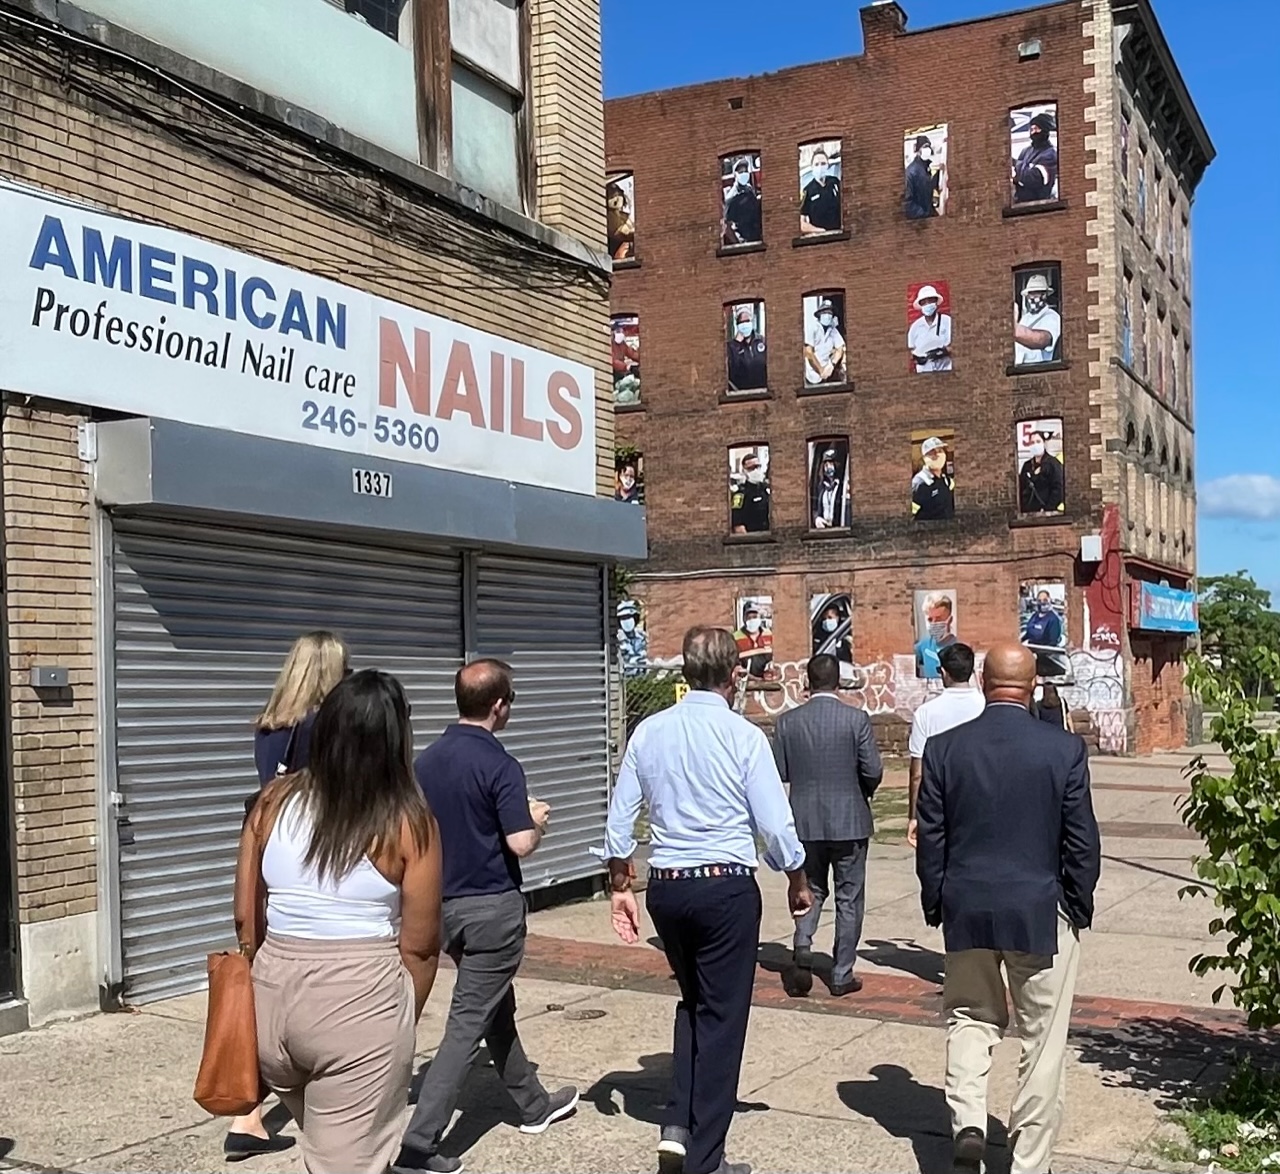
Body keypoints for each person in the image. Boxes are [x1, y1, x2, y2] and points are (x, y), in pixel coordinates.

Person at [604, 626, 812, 1174]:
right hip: (723, 884)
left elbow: (621, 816)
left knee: (693, 1003)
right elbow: (774, 821)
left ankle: (679, 1122)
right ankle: (706, 1157)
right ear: (733, 674)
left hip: (668, 886)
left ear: (685, 672)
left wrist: (620, 884)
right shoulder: (744, 738)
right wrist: (797, 874)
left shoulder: (649, 732)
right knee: (723, 1017)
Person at [237, 670, 444, 1174]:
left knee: (329, 1145)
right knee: (348, 1159)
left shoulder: (272, 800)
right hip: (358, 1002)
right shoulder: (408, 820)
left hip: (271, 998)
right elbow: (420, 947)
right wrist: (399, 1019)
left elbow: (246, 916)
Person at [915, 642, 1100, 1174]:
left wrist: (937, 901)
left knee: (971, 1017)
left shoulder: (945, 749)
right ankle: (1029, 1162)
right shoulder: (1062, 749)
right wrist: (1077, 905)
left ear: (982, 681)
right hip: (1040, 908)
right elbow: (1081, 840)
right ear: (1034, 683)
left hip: (968, 906)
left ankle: (969, 1121)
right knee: (1042, 1042)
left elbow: (932, 836)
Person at [394, 661, 578, 1174]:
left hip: (441, 905)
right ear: (499, 705)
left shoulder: (425, 762)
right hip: (492, 908)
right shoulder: (501, 766)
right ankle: (418, 1144)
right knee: (466, 1025)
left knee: (494, 1006)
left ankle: (534, 1104)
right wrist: (536, 820)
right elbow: (519, 844)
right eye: (511, 698)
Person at [228, 629, 349, 1161]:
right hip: (308, 857)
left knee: (265, 978)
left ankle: (246, 1112)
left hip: (262, 853)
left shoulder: (268, 726)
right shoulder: (324, 727)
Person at [772, 654, 883, 997]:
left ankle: (803, 945)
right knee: (849, 897)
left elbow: (780, 772)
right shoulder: (856, 719)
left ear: (808, 682)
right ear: (838, 682)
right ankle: (842, 973)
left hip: (804, 820)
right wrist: (863, 791)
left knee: (812, 888)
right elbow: (873, 769)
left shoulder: (787, 722)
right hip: (849, 820)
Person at [906, 643, 984, 848]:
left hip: (940, 799)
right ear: (971, 670)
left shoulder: (926, 712)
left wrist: (914, 816)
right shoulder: (985, 706)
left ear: (943, 672)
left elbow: (917, 773)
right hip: (981, 796)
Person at [1014, 273, 1062, 365]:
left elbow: (1041, 340)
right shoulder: (1025, 318)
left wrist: (1014, 329)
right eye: (1030, 293)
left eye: (1036, 293)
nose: (1032, 297)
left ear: (1044, 295)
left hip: (1039, 371)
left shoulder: (1053, 317)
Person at [1012, 111, 1058, 204]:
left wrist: (1017, 168)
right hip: (1020, 202)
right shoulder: (1026, 151)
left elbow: (1032, 178)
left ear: (1045, 130)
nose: (1033, 132)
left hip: (1039, 203)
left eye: (1036, 129)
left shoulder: (1050, 154)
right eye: (1031, 129)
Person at [907, 286, 953, 372]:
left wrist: (943, 352)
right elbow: (910, 351)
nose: (927, 304)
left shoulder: (947, 321)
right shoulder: (915, 327)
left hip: (945, 369)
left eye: (930, 300)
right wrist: (917, 358)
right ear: (920, 305)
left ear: (936, 301)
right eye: (924, 302)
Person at [1018, 430, 1065, 513]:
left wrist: (1048, 508)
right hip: (1028, 513)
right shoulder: (1027, 466)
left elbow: (1059, 488)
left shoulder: (1053, 464)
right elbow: (1021, 487)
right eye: (1032, 442)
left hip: (1048, 513)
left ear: (1044, 443)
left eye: (1038, 441)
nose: (1035, 444)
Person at [914, 592, 958, 680]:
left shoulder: (958, 646)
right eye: (930, 619)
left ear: (950, 620)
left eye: (939, 619)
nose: (933, 623)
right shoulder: (922, 646)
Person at [912, 437, 955, 522]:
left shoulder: (948, 482)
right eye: (932, 452)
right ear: (924, 458)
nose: (937, 454)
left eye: (940, 451)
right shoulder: (918, 484)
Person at [800, 149, 842, 235]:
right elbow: (801, 224)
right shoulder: (808, 191)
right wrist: (820, 231)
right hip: (821, 236)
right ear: (812, 167)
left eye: (823, 164)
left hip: (839, 233)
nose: (820, 167)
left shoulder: (835, 183)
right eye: (816, 164)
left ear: (828, 165)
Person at [805, 300, 846, 386]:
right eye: (825, 312)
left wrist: (832, 364)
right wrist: (820, 370)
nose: (827, 315)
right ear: (820, 314)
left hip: (827, 374)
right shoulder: (813, 328)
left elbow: (840, 348)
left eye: (830, 313)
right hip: (811, 375)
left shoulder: (833, 330)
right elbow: (808, 352)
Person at [722, 156, 762, 245]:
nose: (744, 174)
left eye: (745, 171)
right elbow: (727, 225)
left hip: (757, 236)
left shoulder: (749, 189)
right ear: (735, 174)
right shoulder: (731, 197)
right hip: (744, 240)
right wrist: (739, 244)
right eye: (740, 172)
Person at [727, 307, 768, 391]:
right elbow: (732, 369)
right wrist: (736, 344)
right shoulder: (731, 347)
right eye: (741, 322)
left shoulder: (762, 341)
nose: (744, 324)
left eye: (747, 321)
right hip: (741, 393)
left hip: (762, 390)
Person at [730, 451, 770, 533]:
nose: (756, 470)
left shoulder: (766, 489)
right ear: (745, 470)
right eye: (751, 468)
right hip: (752, 536)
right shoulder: (740, 494)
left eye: (757, 467)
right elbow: (738, 525)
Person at [904, 134, 942, 219]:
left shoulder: (924, 168)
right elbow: (907, 203)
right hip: (920, 220)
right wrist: (924, 214)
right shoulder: (912, 171)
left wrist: (939, 174)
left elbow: (927, 187)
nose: (927, 149)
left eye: (928, 146)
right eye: (924, 147)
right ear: (918, 150)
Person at [810, 447, 848, 528]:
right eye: (826, 465)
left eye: (830, 464)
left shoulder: (841, 487)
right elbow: (815, 508)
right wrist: (817, 519)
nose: (828, 467)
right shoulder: (821, 487)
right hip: (823, 528)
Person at [733, 603, 773, 679]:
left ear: (759, 618)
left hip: (768, 682)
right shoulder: (735, 638)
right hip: (746, 683)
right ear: (744, 619)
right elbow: (734, 665)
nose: (752, 620)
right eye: (749, 617)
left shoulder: (769, 635)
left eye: (754, 617)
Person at [617, 599, 649, 677]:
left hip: (639, 674)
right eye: (623, 617)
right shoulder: (618, 636)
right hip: (624, 674)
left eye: (629, 617)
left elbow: (642, 654)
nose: (626, 620)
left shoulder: (640, 636)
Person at [611, 321, 640, 405]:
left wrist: (642, 358)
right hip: (613, 372)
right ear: (613, 332)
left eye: (621, 331)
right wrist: (627, 367)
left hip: (621, 370)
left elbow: (631, 353)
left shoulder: (622, 344)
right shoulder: (609, 344)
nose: (621, 333)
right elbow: (612, 361)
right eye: (618, 331)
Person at [606, 178, 636, 261]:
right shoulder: (610, 218)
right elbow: (620, 234)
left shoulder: (625, 215)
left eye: (617, 194)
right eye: (611, 196)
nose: (615, 197)